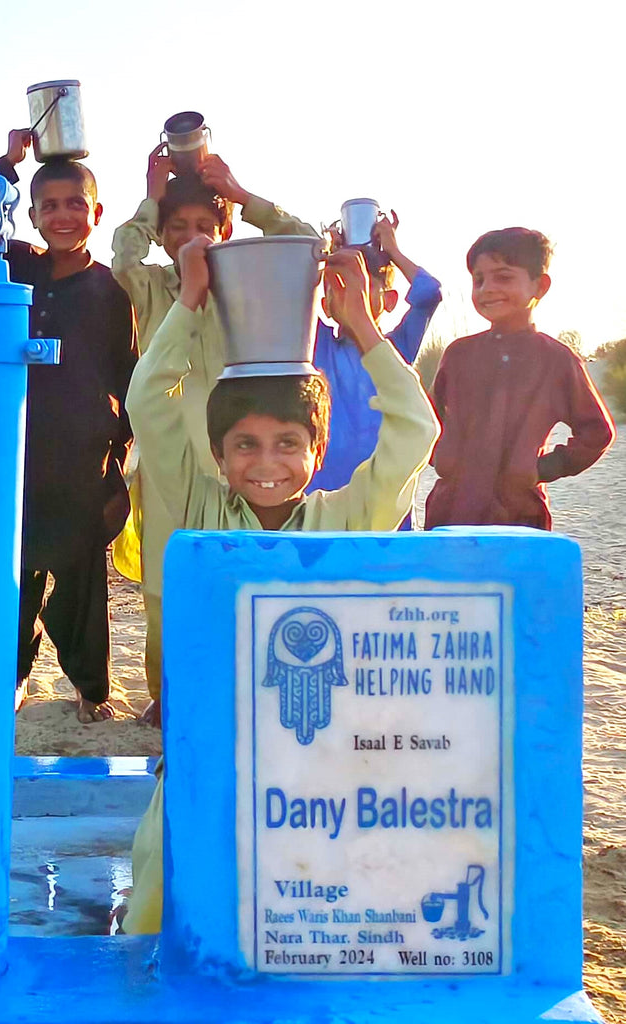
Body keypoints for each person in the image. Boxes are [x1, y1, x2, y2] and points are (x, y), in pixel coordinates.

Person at [120, 237, 440, 933]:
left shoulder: (348, 520)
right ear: (218, 454)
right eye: (245, 445)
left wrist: (360, 326)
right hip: (206, 753)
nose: (266, 463)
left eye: (287, 444)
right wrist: (189, 302)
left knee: (301, 925)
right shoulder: (194, 512)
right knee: (158, 913)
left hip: (315, 774)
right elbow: (148, 398)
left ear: (317, 450)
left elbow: (414, 431)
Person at [111, 149, 318, 723]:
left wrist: (242, 193)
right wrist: (152, 197)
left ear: (226, 229)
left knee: (244, 574)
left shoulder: (251, 286)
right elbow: (122, 254)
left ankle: (247, 686)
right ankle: (166, 693)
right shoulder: (153, 288)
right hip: (170, 465)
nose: (192, 237)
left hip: (245, 466)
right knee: (163, 583)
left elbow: (307, 246)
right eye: (178, 228)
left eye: (205, 225)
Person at [0, 129, 137, 724]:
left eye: (75, 204)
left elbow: (127, 371)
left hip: (84, 459)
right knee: (18, 572)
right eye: (49, 206)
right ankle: (17, 678)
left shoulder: (112, 288)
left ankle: (90, 688)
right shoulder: (14, 268)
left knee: (82, 581)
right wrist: (8, 159)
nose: (63, 216)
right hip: (19, 451)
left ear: (96, 213)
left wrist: (120, 450)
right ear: (29, 216)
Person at [425, 227, 615, 530]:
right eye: (479, 279)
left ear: (540, 286)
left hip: (519, 517)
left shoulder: (556, 359)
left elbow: (597, 432)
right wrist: (444, 459)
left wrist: (540, 469)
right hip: (451, 513)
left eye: (503, 277)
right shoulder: (458, 355)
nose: (487, 288)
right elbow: (426, 421)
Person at [310, 212, 442, 505]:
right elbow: (294, 293)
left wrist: (393, 251)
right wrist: (324, 252)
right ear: (324, 305)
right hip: (323, 504)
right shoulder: (318, 346)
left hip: (387, 507)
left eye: (363, 283)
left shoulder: (397, 349)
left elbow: (430, 293)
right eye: (338, 284)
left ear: (390, 300)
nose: (350, 291)